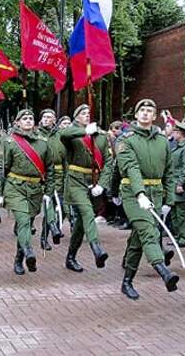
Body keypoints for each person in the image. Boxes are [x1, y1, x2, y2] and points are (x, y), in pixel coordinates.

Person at [117, 99, 179, 300]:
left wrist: (169, 201)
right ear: (136, 115)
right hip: (132, 193)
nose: (145, 113)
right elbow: (131, 167)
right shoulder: (126, 139)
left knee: (138, 238)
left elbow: (169, 171)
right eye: (141, 110)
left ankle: (127, 282)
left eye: (149, 111)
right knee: (149, 231)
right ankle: (164, 272)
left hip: (157, 193)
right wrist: (140, 193)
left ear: (154, 117)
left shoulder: (163, 141)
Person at [0, 109, 54, 275]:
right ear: (17, 122)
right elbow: (1, 168)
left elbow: (50, 168)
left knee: (26, 223)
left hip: (35, 189)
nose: (28, 120)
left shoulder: (43, 141)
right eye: (24, 118)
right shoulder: (10, 141)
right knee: (23, 221)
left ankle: (19, 258)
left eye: (30, 118)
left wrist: (48, 192)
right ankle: (28, 251)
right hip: (15, 187)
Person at [60, 104, 112, 273]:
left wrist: (102, 185)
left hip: (94, 180)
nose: (87, 115)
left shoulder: (101, 136)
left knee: (82, 224)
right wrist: (85, 132)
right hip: (76, 180)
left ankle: (70, 257)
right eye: (83, 113)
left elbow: (109, 162)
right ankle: (97, 248)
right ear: (76, 117)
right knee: (87, 211)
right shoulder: (73, 134)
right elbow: (63, 134)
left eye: (88, 113)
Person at [36, 109, 64, 249]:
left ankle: (46, 235)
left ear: (54, 120)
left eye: (50, 117)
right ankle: (52, 228)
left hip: (59, 174)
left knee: (58, 204)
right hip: (42, 174)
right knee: (49, 203)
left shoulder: (60, 135)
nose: (47, 119)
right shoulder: (35, 134)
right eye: (44, 116)